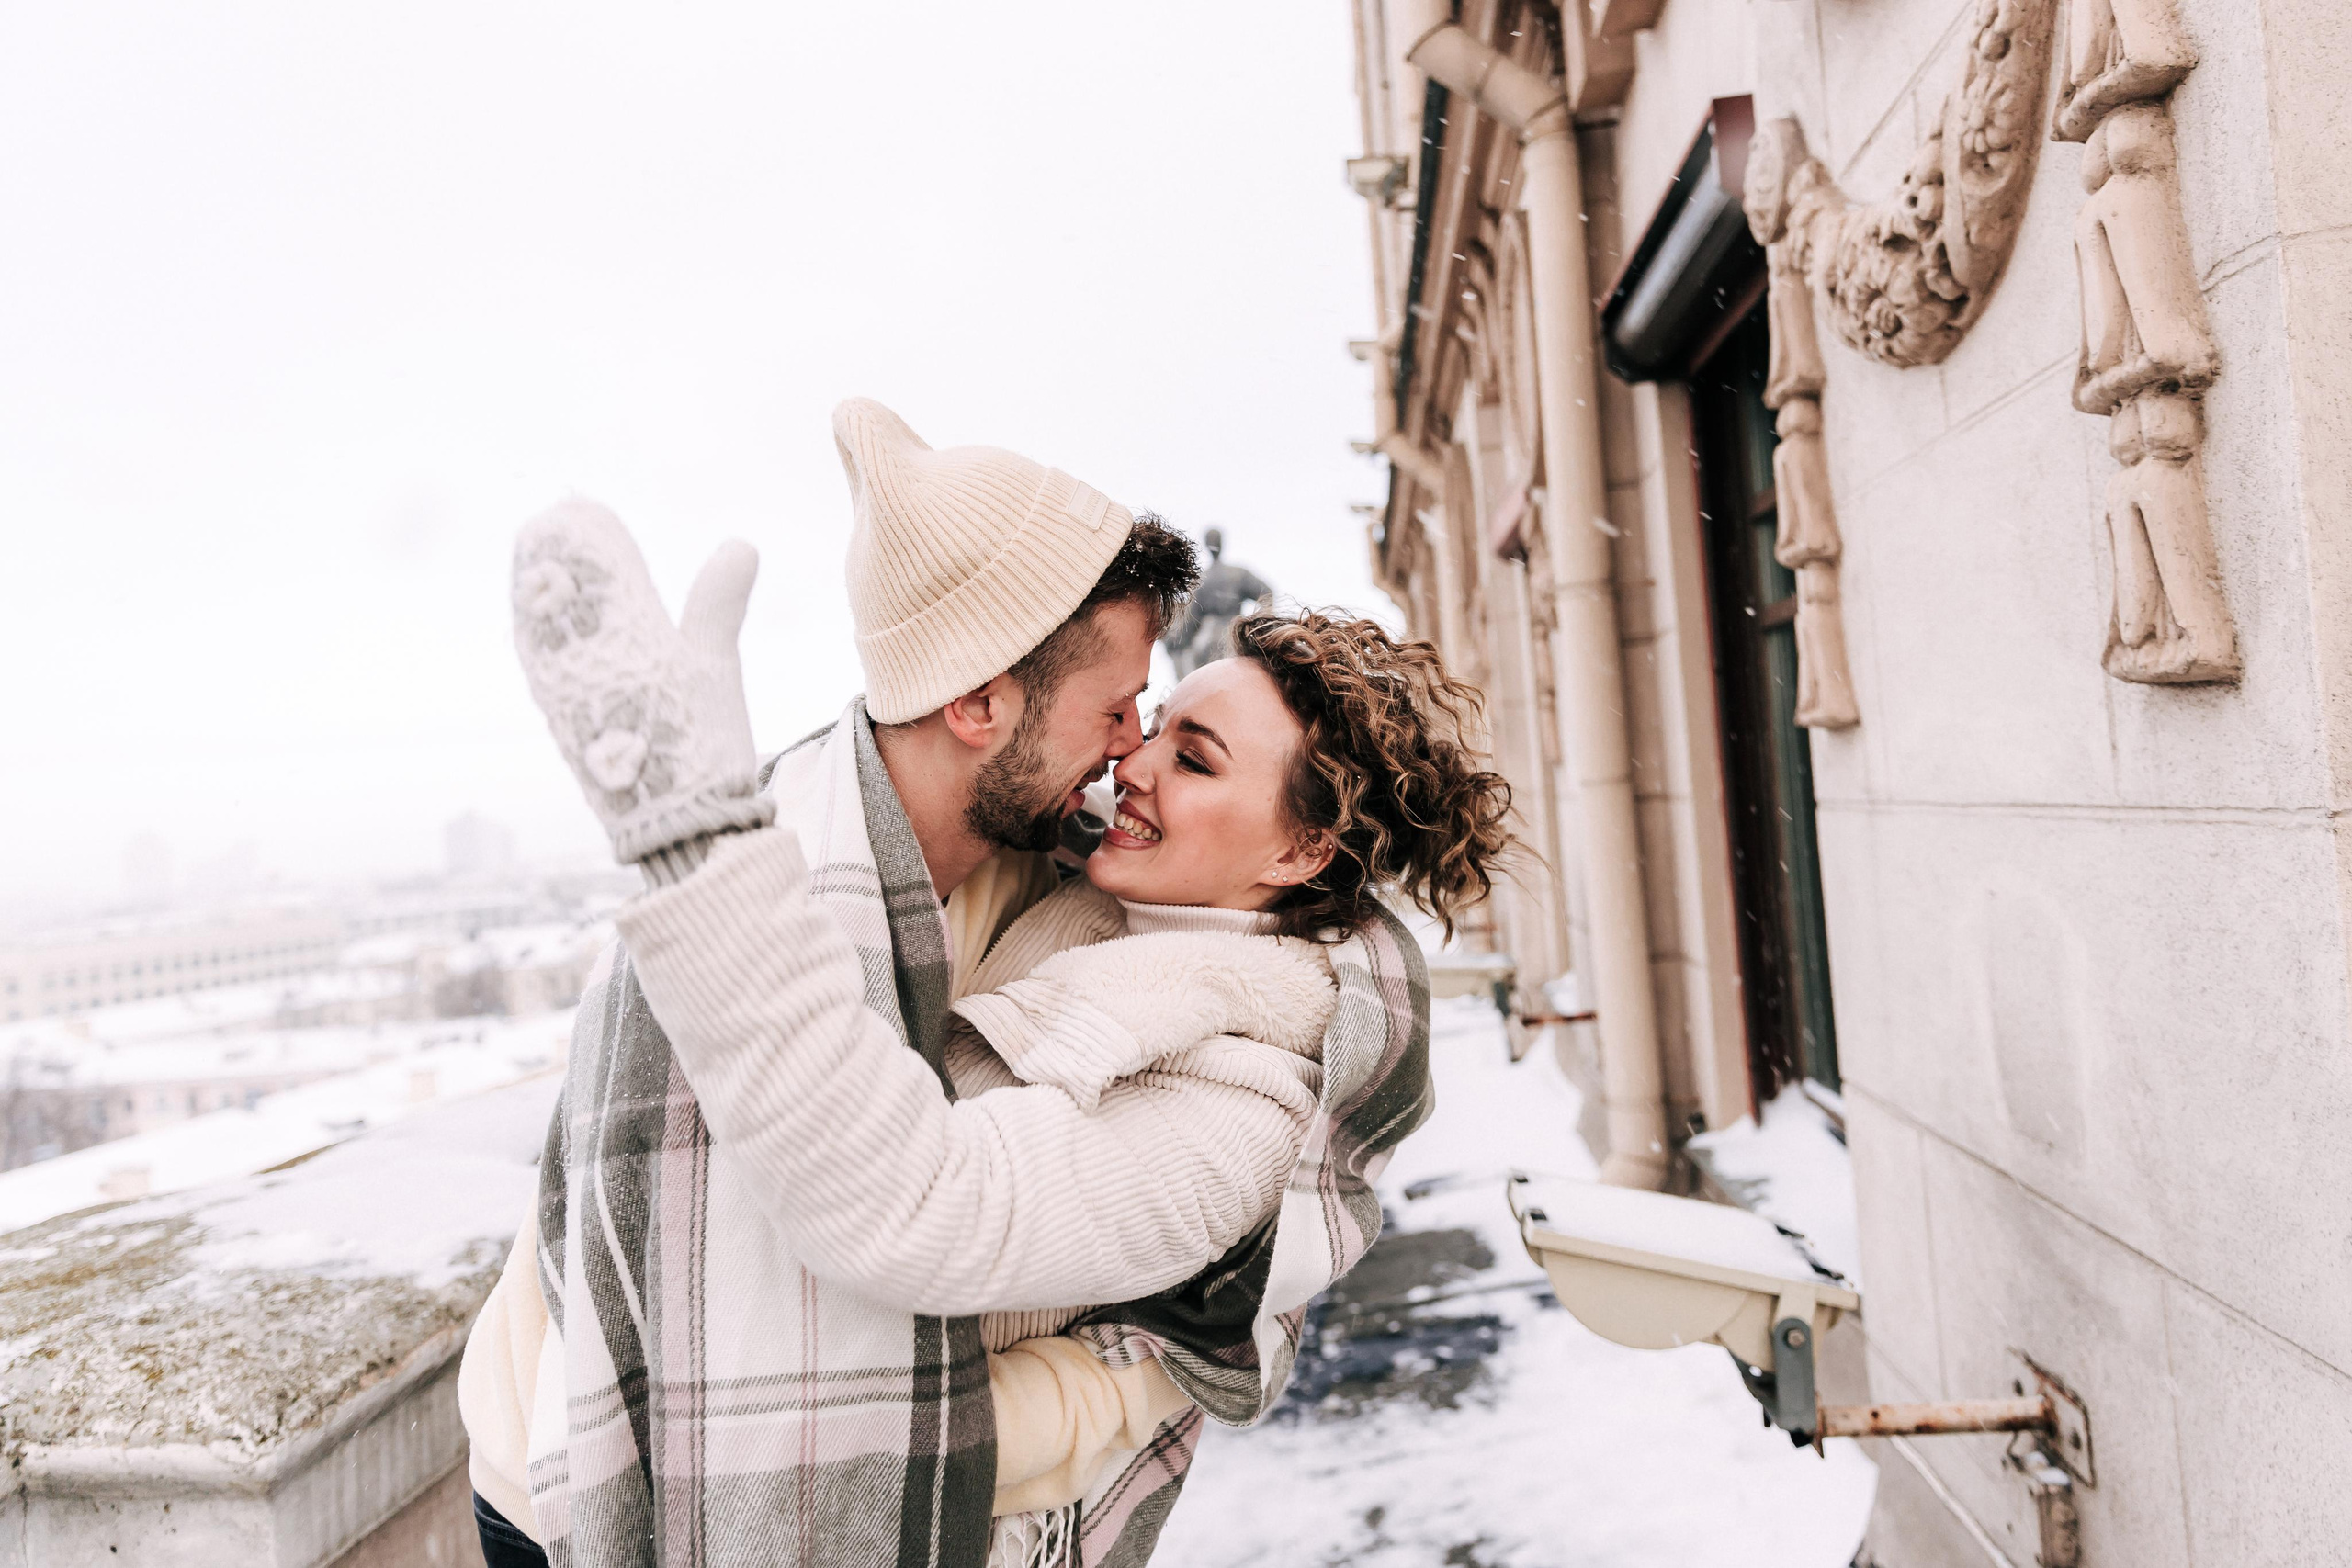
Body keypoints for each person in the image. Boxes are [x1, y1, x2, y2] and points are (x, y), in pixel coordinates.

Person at [461, 400, 1510, 1568]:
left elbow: (926, 1205)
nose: (1132, 758)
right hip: (569, 1468)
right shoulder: (866, 866)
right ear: (979, 705)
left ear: (1301, 852)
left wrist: (1123, 1387)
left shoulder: (1247, 1085)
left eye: (1184, 751)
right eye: (1133, 716)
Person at [1159, 526, 1273, 679]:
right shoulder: (1238, 573)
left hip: (1207, 641)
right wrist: (1258, 626)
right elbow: (1267, 594)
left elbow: (1190, 622)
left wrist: (1174, 642)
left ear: (1207, 545)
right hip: (1234, 634)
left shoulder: (1201, 581)